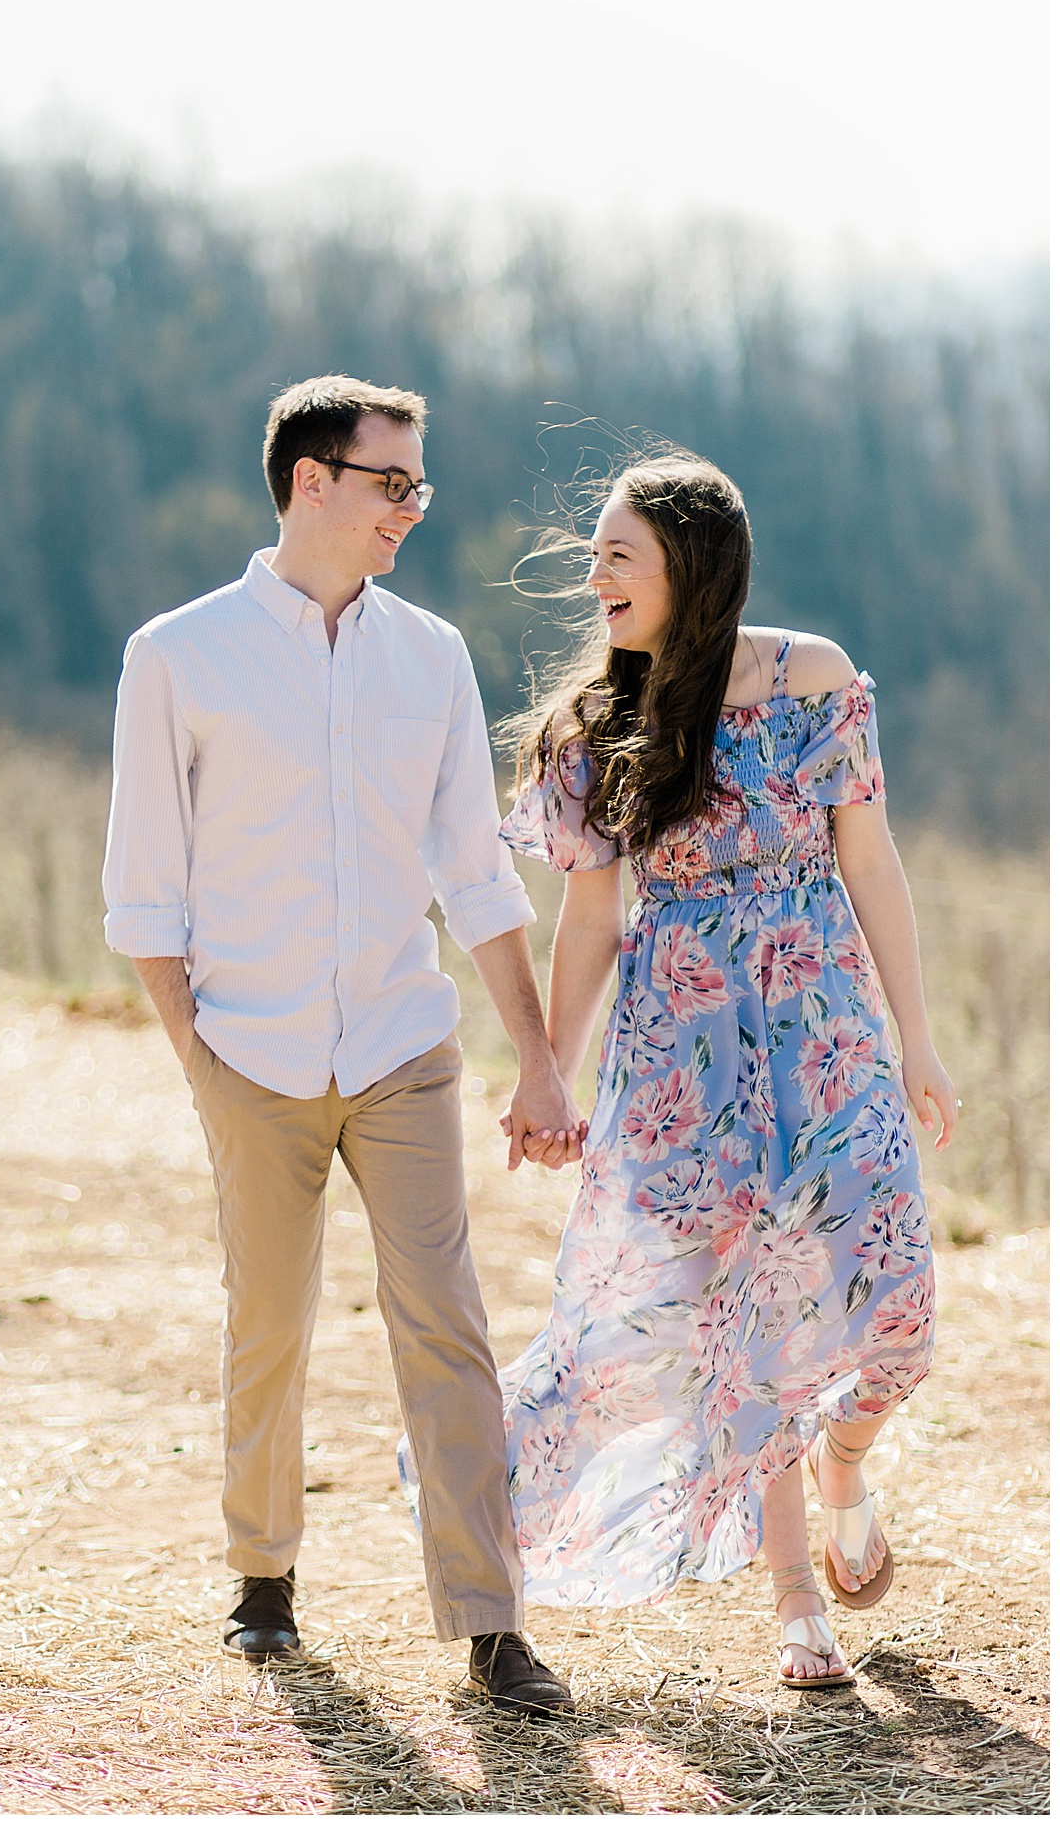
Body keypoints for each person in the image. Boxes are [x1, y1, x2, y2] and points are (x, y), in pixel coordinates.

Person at [102, 375, 582, 1715]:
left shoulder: (429, 655)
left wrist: (539, 1059)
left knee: (449, 1323)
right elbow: (144, 889)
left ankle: (490, 1623)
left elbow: (477, 877)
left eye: (419, 486)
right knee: (268, 1318)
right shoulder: (178, 656)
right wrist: (198, 1063)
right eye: (393, 484)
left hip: (401, 1040)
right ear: (310, 480)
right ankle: (262, 1583)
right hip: (246, 1052)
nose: (413, 512)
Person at [496, 451, 958, 1690]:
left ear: (691, 566)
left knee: (900, 1307)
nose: (593, 576)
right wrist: (550, 1071)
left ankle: (845, 1455)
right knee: (746, 1321)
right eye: (596, 553)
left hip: (828, 1025)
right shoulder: (600, 728)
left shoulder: (813, 680)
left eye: (615, 554)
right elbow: (590, 920)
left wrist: (917, 1039)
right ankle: (798, 1599)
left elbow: (874, 865)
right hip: (684, 1054)